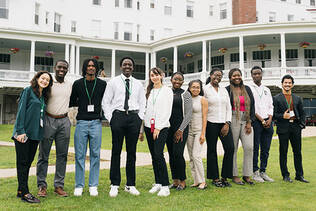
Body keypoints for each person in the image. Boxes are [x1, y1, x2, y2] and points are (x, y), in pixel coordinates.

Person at [102, 57, 145, 197]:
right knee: (116, 151)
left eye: (130, 64)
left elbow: (142, 102)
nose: (127, 66)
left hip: (133, 118)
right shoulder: (113, 82)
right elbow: (106, 102)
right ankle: (114, 184)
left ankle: (130, 184)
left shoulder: (138, 83)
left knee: (131, 153)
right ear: (121, 67)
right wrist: (111, 118)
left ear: (133, 67)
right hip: (118, 117)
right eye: (125, 64)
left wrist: (140, 117)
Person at [12, 70, 53, 203]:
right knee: (22, 163)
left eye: (47, 80)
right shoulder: (28, 91)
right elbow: (21, 112)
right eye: (43, 78)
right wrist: (20, 131)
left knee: (27, 163)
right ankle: (25, 193)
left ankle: (20, 190)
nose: (44, 81)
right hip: (23, 134)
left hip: (35, 135)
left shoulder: (43, 96)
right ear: (37, 78)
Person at [69, 58, 107, 196]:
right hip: (81, 123)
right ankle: (79, 185)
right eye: (88, 66)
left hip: (96, 123)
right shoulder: (78, 84)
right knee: (80, 155)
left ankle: (93, 186)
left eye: (93, 66)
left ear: (96, 69)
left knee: (95, 155)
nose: (91, 68)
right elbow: (72, 100)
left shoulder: (102, 84)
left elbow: (106, 101)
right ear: (84, 68)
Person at [36, 60, 72, 197]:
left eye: (64, 68)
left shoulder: (70, 84)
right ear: (54, 68)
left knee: (62, 156)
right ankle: (42, 186)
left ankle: (59, 186)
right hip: (48, 120)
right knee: (43, 155)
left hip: (64, 121)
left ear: (67, 70)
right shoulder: (48, 83)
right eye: (59, 67)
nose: (62, 69)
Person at [143, 67, 173, 196]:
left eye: (156, 75)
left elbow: (167, 111)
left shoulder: (167, 91)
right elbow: (145, 110)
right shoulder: (149, 91)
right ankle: (158, 182)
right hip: (148, 126)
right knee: (153, 156)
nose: (154, 77)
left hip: (161, 126)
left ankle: (165, 185)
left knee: (158, 154)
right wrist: (143, 128)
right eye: (152, 75)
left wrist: (158, 127)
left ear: (162, 75)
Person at [273, 74, 309, 183]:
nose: (287, 84)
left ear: (292, 85)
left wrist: (302, 125)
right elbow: (273, 114)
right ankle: (285, 175)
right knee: (283, 152)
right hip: (283, 127)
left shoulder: (297, 98)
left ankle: (299, 175)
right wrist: (282, 116)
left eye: (289, 83)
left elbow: (302, 113)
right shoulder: (276, 98)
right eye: (285, 83)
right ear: (282, 84)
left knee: (297, 152)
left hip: (295, 127)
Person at [204, 68, 234, 188]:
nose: (218, 77)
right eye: (215, 75)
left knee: (230, 148)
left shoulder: (224, 90)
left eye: (220, 76)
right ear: (211, 75)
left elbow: (228, 107)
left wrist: (227, 123)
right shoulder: (205, 89)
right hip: (210, 123)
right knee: (212, 151)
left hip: (224, 123)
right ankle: (215, 178)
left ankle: (225, 177)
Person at [226, 68, 255, 185]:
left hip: (246, 119)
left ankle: (247, 174)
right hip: (233, 118)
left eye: (239, 75)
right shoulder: (227, 90)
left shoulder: (247, 89)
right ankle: (234, 175)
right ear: (230, 78)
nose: (237, 77)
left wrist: (249, 122)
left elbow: (253, 105)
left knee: (249, 146)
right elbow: (226, 107)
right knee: (233, 147)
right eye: (234, 76)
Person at [167, 72, 192, 190]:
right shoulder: (166, 92)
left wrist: (181, 130)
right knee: (171, 154)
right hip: (168, 128)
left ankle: (183, 181)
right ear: (171, 80)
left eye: (180, 80)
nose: (177, 81)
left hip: (181, 127)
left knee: (178, 153)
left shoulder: (186, 94)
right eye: (175, 79)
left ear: (183, 82)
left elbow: (188, 114)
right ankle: (175, 181)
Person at [249, 66, 274, 183]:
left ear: (262, 74)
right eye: (254, 74)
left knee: (266, 148)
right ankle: (255, 172)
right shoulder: (249, 88)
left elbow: (271, 105)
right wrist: (262, 120)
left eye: (258, 73)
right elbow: (251, 107)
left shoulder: (267, 89)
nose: (256, 76)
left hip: (268, 122)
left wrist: (269, 119)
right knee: (255, 148)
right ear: (251, 75)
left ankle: (263, 171)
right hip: (256, 122)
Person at [186, 79, 208, 189]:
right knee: (191, 157)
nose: (195, 89)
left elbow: (205, 117)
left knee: (196, 155)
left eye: (198, 87)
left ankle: (202, 181)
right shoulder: (187, 99)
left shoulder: (202, 100)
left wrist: (203, 133)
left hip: (199, 130)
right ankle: (196, 180)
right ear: (189, 88)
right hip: (189, 131)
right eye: (193, 87)